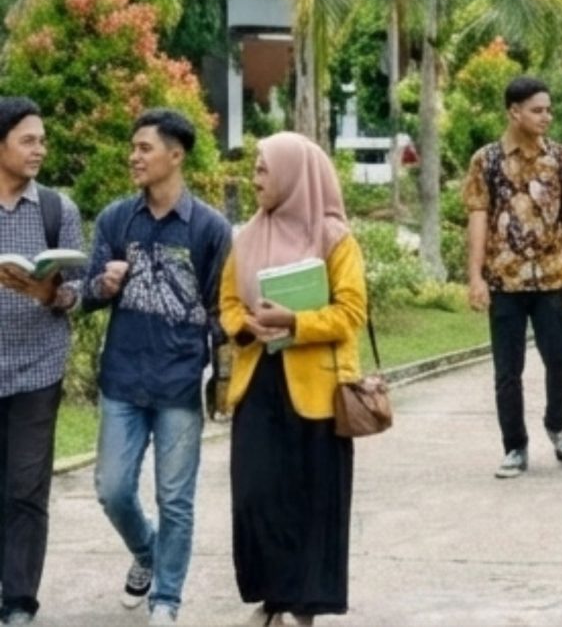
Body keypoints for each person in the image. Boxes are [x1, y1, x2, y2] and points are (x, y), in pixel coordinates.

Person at [83, 109, 230, 623]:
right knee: (113, 488)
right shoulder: (115, 219)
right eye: (133, 147)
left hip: (179, 383)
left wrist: (226, 380)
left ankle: (166, 598)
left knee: (176, 499)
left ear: (176, 154)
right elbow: (85, 294)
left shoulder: (210, 228)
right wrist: (104, 285)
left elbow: (220, 311)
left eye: (144, 148)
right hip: (122, 378)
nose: (134, 156)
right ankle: (146, 552)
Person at [219, 133, 364, 625]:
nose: (257, 179)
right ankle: (271, 596)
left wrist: (296, 323)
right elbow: (228, 304)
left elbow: (351, 313)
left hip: (317, 392)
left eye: (264, 170)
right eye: (257, 170)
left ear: (292, 174)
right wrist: (246, 327)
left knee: (313, 498)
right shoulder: (247, 236)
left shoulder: (334, 238)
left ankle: (304, 606)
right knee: (256, 495)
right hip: (258, 382)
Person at [462, 75, 562, 479]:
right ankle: (515, 446)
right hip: (505, 280)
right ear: (513, 112)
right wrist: (475, 277)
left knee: (560, 359)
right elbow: (478, 217)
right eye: (537, 110)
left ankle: (556, 423)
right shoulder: (486, 161)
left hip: (553, 277)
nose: (546, 117)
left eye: (549, 109)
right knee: (507, 369)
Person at [0, 98, 82, 627]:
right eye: (29, 140)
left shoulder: (57, 209)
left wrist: (50, 293)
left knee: (26, 487)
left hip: (38, 368)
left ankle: (19, 602)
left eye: (43, 141)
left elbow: (78, 289)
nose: (40, 150)